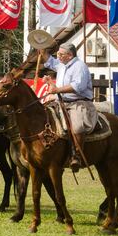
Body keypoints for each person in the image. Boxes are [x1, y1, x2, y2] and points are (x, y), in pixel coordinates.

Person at [42, 42, 95, 171]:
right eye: (57, 54)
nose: (58, 56)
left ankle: (76, 155)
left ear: (70, 55)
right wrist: (41, 47)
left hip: (79, 102)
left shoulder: (80, 67)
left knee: (77, 127)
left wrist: (57, 90)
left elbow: (78, 87)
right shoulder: (62, 64)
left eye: (60, 54)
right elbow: (49, 60)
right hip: (60, 101)